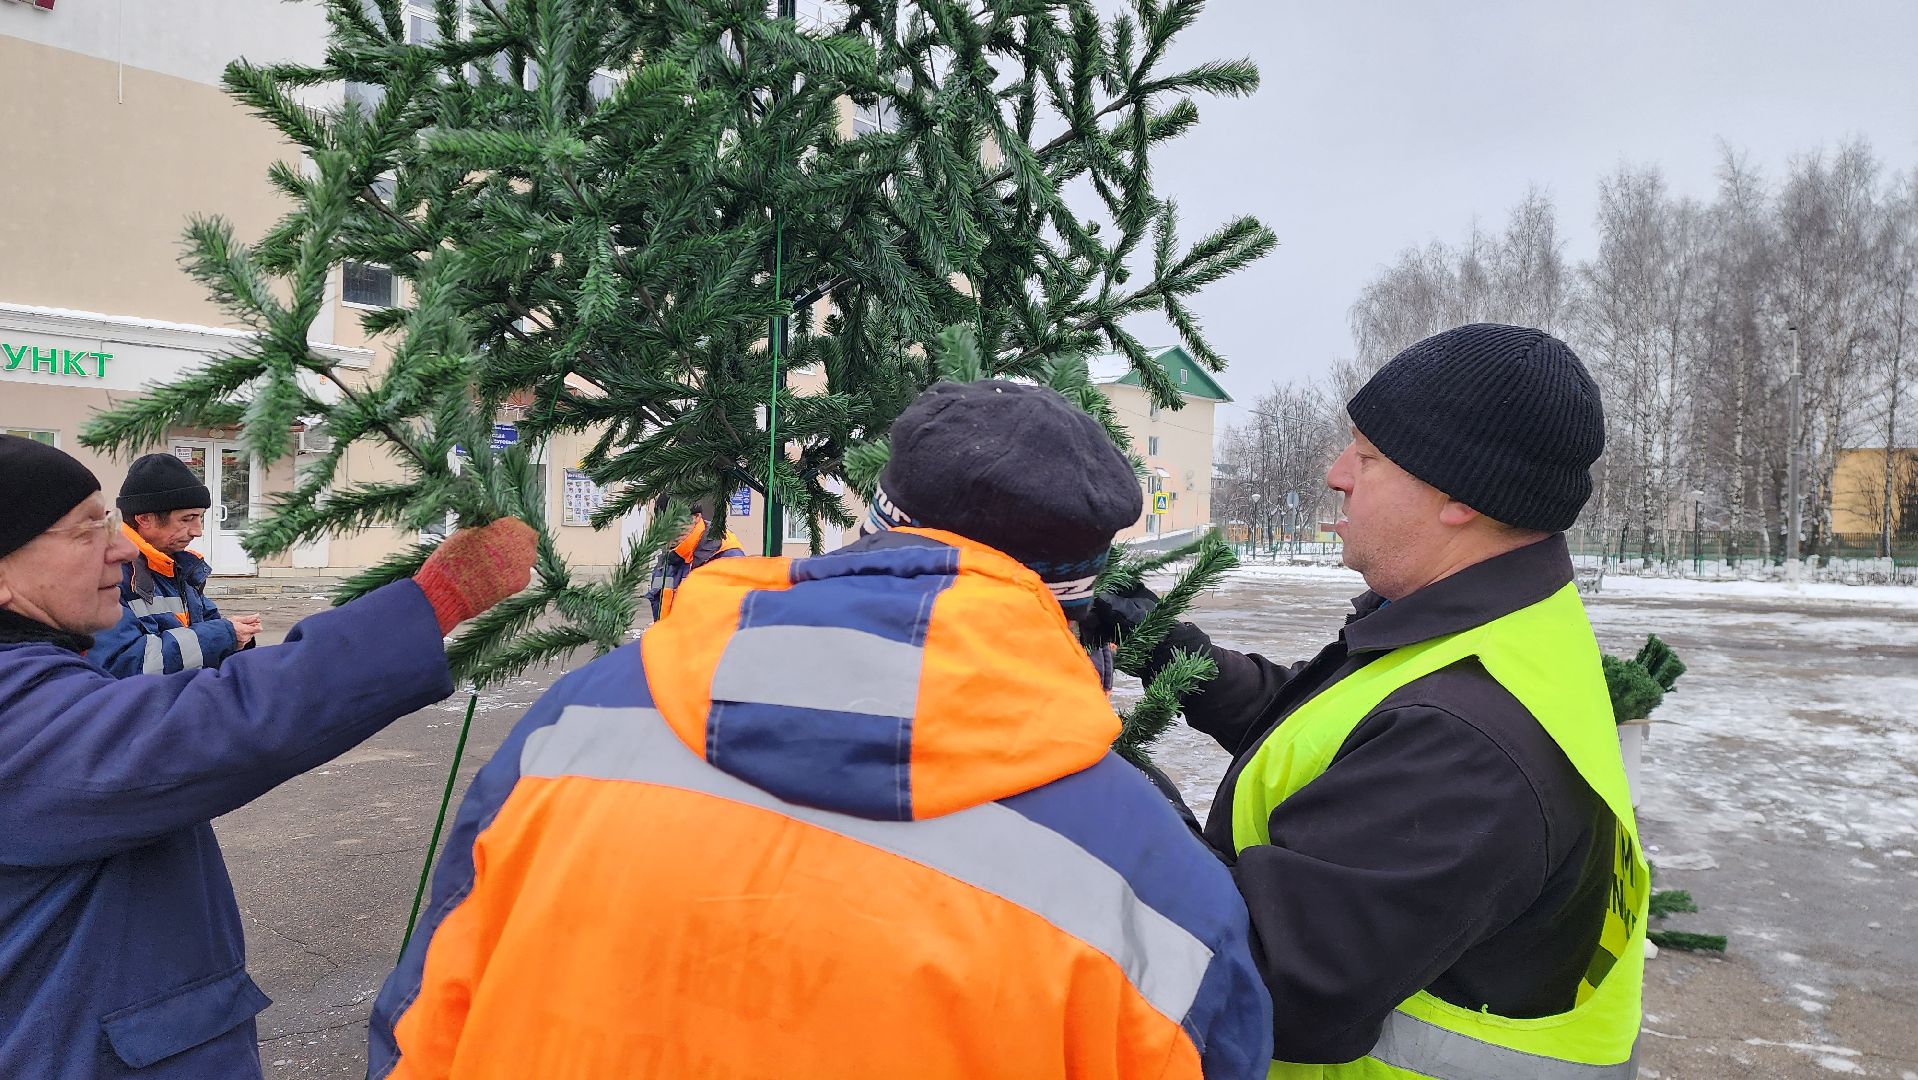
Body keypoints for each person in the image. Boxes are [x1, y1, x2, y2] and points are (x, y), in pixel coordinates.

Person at [369, 381, 1273, 1079]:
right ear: (1083, 605)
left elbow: (423, 1023)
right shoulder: (1149, 891)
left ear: (869, 527)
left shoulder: (581, 721)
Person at [1098, 324, 1648, 1078]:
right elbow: (1327, 737)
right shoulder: (1494, 629)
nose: (1336, 473)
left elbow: (1266, 980)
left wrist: (1114, 789)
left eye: (1367, 456)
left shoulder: (1468, 744)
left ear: (1458, 494)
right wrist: (1163, 645)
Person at [0, 433, 537, 1080]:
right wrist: (436, 599)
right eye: (85, 530)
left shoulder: (47, 672)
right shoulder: (20, 718)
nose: (117, 548)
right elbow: (223, 721)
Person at [90, 453, 263, 676]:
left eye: (200, 518)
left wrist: (237, 639)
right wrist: (223, 635)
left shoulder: (179, 569)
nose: (197, 531)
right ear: (144, 519)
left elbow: (204, 634)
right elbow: (124, 664)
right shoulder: (108, 575)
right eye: (187, 519)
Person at [644, 497, 745, 620]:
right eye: (663, 523)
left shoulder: (727, 559)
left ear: (696, 517)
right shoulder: (666, 561)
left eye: (676, 523)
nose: (669, 532)